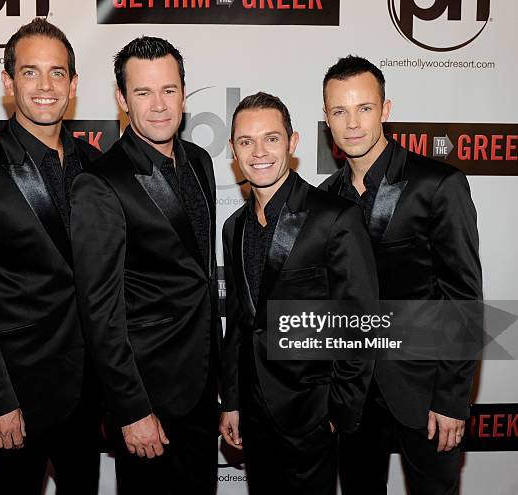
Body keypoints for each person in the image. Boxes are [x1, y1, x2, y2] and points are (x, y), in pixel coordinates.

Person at [0, 18, 101, 495]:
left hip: (91, 392)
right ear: (8, 82)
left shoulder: (98, 166)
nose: (45, 86)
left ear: (74, 84)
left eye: (57, 73)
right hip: (17, 397)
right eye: (30, 73)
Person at [320, 55, 482, 495]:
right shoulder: (323, 199)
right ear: (327, 120)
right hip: (352, 397)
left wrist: (452, 399)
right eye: (339, 111)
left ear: (386, 110)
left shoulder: (437, 184)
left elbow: (463, 297)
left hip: (425, 393)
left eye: (364, 108)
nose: (352, 123)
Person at [70, 36, 220, 495]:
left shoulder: (199, 161)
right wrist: (131, 410)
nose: (159, 105)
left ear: (183, 92)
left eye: (169, 90)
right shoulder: (100, 183)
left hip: (201, 386)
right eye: (143, 92)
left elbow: (198, 273)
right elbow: (100, 312)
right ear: (121, 99)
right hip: (146, 397)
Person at [219, 92, 378, 494]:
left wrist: (338, 410)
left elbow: (360, 321)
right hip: (255, 414)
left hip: (312, 415)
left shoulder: (334, 217)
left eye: (271, 138)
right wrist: (233, 402)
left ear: (292, 143)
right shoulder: (234, 227)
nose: (259, 152)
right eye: (245, 141)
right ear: (234, 150)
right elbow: (240, 323)